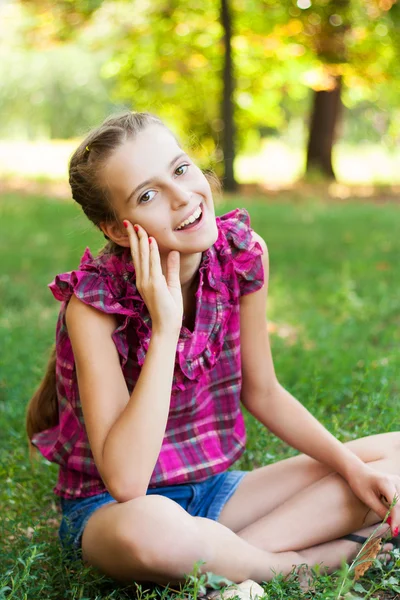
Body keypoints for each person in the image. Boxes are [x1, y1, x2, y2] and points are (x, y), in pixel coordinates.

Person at [26, 111, 400, 594]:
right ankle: (304, 566)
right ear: (118, 230)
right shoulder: (94, 305)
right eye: (148, 194)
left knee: (393, 454)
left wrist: (353, 470)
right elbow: (126, 482)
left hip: (216, 493)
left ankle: (227, 558)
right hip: (115, 513)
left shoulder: (242, 255)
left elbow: (262, 391)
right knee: (156, 530)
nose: (182, 196)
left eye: (181, 169)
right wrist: (163, 329)